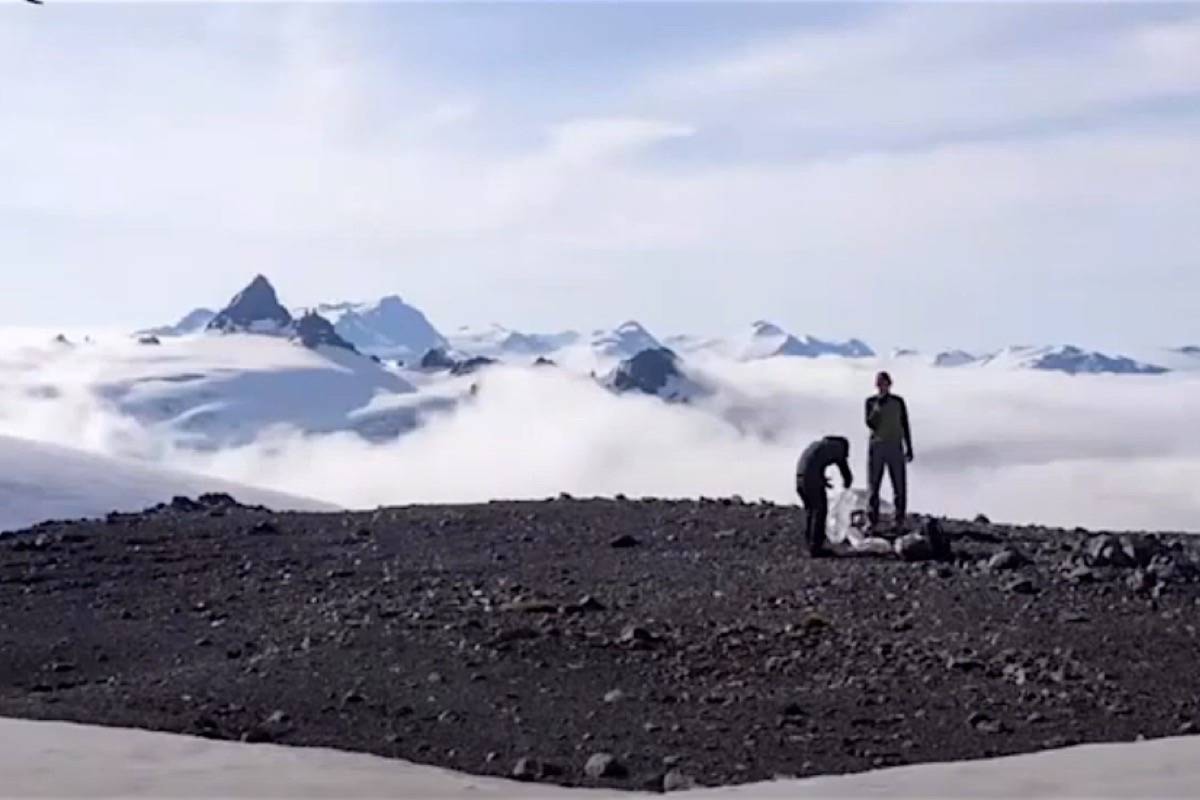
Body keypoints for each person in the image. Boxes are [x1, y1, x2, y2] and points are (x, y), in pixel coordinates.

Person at [865, 371, 913, 531]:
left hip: (895, 446)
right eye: (879, 382)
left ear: (889, 384)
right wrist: (877, 409)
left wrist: (909, 447)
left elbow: (905, 424)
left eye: (884, 382)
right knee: (874, 485)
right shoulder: (870, 402)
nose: (881, 385)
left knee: (899, 485)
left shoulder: (898, 402)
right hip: (877, 446)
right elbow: (870, 424)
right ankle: (872, 520)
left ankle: (898, 519)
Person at [795, 435, 853, 557]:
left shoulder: (819, 445)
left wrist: (821, 479)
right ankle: (816, 548)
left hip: (800, 479)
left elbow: (811, 465)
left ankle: (810, 545)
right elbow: (844, 468)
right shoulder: (836, 447)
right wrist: (847, 482)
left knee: (811, 512)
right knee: (819, 511)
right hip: (810, 480)